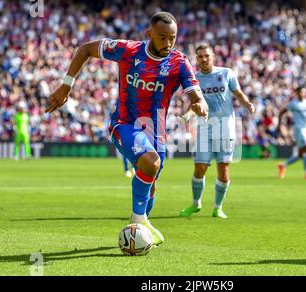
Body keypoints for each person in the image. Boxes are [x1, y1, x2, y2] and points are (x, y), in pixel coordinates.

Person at [45, 12, 209, 246]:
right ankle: (138, 221)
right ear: (149, 34)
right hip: (124, 124)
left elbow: (194, 92)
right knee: (151, 163)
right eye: (162, 37)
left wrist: (199, 103)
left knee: (151, 181)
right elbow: (85, 49)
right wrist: (66, 85)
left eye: (172, 38)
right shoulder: (128, 50)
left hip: (156, 133)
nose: (168, 43)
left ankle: (143, 222)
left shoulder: (179, 61)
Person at [179, 44, 255, 219]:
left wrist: (248, 104)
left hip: (226, 129)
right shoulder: (195, 79)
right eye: (200, 57)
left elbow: (238, 93)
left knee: (223, 169)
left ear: (212, 56)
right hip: (205, 129)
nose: (204, 59)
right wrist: (187, 115)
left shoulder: (226, 73)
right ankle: (196, 204)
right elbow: (195, 105)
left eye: (207, 56)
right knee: (199, 168)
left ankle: (218, 207)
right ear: (196, 59)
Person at [277, 86, 306, 180]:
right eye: (300, 92)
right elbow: (281, 112)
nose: (302, 94)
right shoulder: (293, 104)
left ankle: (283, 165)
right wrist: (280, 125)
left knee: (301, 154)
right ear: (296, 93)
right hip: (298, 129)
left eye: (303, 92)